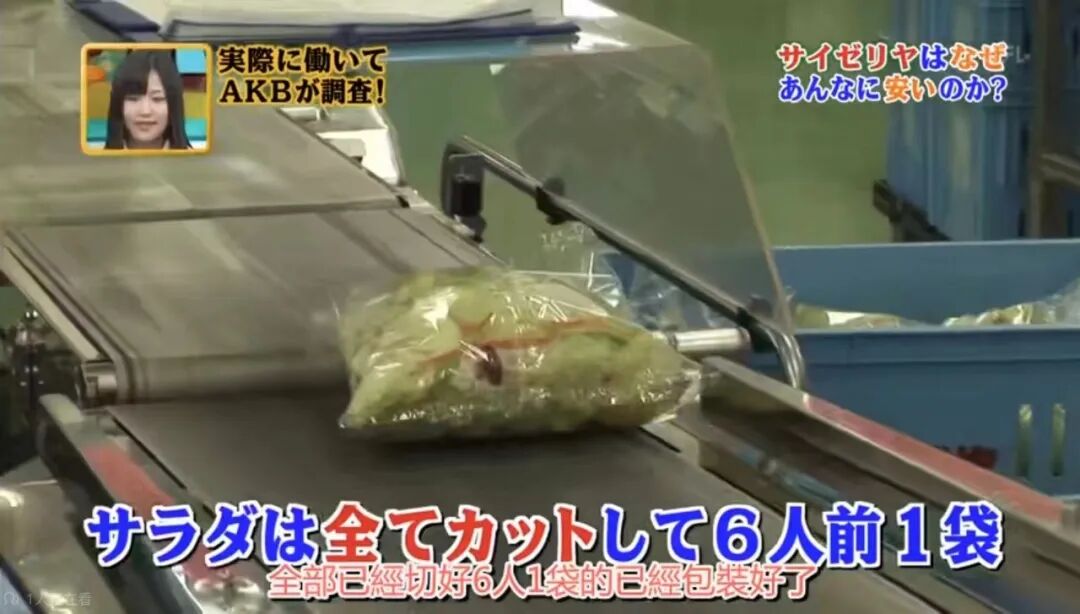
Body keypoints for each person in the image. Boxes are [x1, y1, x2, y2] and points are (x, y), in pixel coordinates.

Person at [104, 50, 192, 150]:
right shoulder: (96, 159)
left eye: (157, 99)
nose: (145, 111)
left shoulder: (197, 159)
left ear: (174, 104)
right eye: (133, 99)